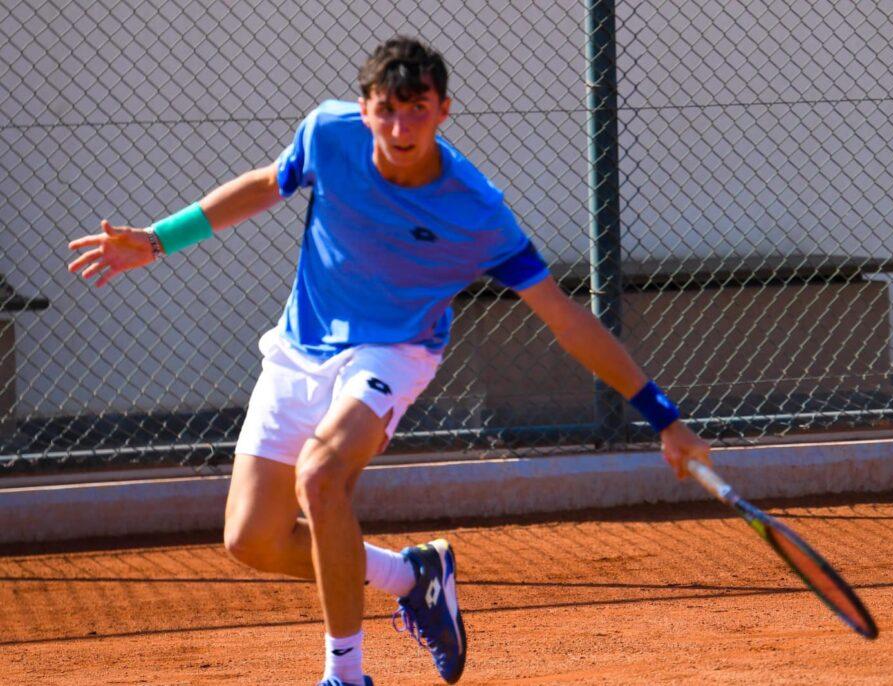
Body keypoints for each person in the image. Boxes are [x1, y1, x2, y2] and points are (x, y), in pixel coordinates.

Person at [68, 36, 711, 686]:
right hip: (300, 345)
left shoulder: (476, 210)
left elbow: (566, 319)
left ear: (443, 112)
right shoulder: (327, 134)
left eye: (418, 110)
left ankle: (345, 676)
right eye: (387, 110)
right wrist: (158, 239)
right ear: (364, 108)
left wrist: (663, 416)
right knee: (252, 540)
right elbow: (268, 184)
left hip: (395, 350)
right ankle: (412, 576)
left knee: (321, 477)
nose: (401, 128)